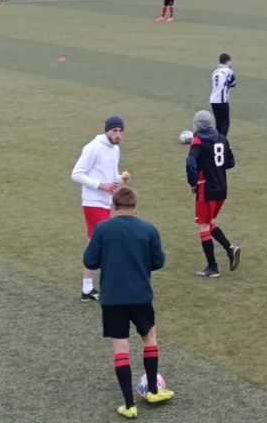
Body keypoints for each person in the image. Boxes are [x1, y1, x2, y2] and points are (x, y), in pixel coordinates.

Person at [82, 185, 173, 415]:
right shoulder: (148, 229)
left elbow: (90, 261)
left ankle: (129, 405)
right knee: (149, 338)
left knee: (120, 348)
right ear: (134, 205)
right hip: (140, 296)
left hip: (112, 298)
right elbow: (158, 262)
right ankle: (153, 390)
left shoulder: (102, 229)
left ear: (114, 205)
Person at [72, 115, 131, 302]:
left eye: (120, 131)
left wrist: (120, 179)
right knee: (108, 244)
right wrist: (100, 185)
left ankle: (87, 289)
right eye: (114, 131)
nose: (118, 134)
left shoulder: (115, 149)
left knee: (94, 244)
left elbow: (110, 177)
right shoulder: (93, 148)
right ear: (107, 131)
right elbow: (76, 174)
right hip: (93, 203)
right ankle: (112, 286)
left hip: (105, 203)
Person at [186, 110, 241, 278]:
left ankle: (212, 267)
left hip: (206, 188)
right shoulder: (222, 139)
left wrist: (193, 182)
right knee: (208, 222)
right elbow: (230, 162)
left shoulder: (197, 141)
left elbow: (190, 162)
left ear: (197, 125)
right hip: (222, 188)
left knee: (203, 225)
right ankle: (230, 249)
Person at [209, 53, 237, 133]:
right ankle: (222, 140)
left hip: (213, 99)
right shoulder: (229, 71)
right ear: (227, 62)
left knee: (218, 122)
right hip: (222, 100)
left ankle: (216, 139)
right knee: (225, 122)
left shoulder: (215, 72)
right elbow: (233, 83)